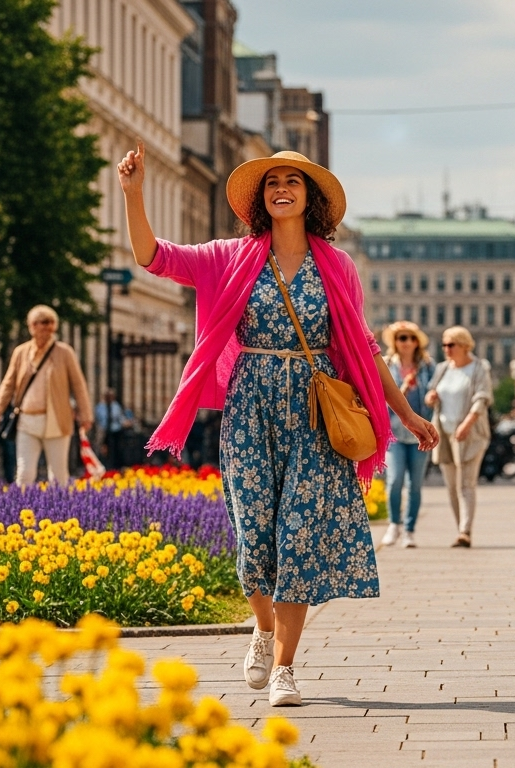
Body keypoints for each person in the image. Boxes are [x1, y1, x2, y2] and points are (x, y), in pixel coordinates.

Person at [114, 143, 438, 707]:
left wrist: (405, 413)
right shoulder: (230, 256)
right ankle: (261, 629)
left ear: (309, 197)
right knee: (253, 538)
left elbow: (361, 345)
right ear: (261, 200)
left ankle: (286, 667)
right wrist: (133, 192)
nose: (281, 188)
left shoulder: (337, 266)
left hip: (315, 414)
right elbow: (153, 256)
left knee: (298, 539)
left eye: (293, 180)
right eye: (271, 183)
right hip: (250, 409)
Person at [0, 305, 93, 488]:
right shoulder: (21, 352)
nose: (48, 327)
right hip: (27, 420)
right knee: (25, 472)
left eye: (51, 322)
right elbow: (8, 384)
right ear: (32, 326)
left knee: (59, 474)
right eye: (43, 322)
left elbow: (79, 385)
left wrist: (86, 414)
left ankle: (61, 512)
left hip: (57, 420)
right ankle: (21, 511)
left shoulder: (64, 352)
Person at [425, 326, 493, 548]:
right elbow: (431, 394)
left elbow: (482, 398)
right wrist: (431, 397)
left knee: (466, 483)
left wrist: (467, 423)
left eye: (451, 344)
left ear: (464, 346)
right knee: (451, 485)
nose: (446, 349)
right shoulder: (443, 368)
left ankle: (465, 531)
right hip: (444, 433)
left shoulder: (478, 368)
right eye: (444, 344)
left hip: (470, 433)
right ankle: (460, 529)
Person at [382, 321, 435, 549]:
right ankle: (394, 524)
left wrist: (431, 397)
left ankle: (409, 530)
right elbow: (379, 396)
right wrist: (401, 392)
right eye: (401, 338)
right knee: (394, 481)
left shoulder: (427, 367)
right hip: (393, 432)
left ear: (417, 342)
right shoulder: (386, 364)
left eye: (410, 338)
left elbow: (435, 390)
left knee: (415, 484)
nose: (406, 342)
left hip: (419, 433)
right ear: (395, 342)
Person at [95, 389, 136, 470]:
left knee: (116, 449)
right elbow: (98, 419)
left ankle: (116, 466)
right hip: (104, 431)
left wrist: (126, 423)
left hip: (115, 431)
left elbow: (120, 418)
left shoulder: (116, 406)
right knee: (104, 451)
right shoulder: (100, 407)